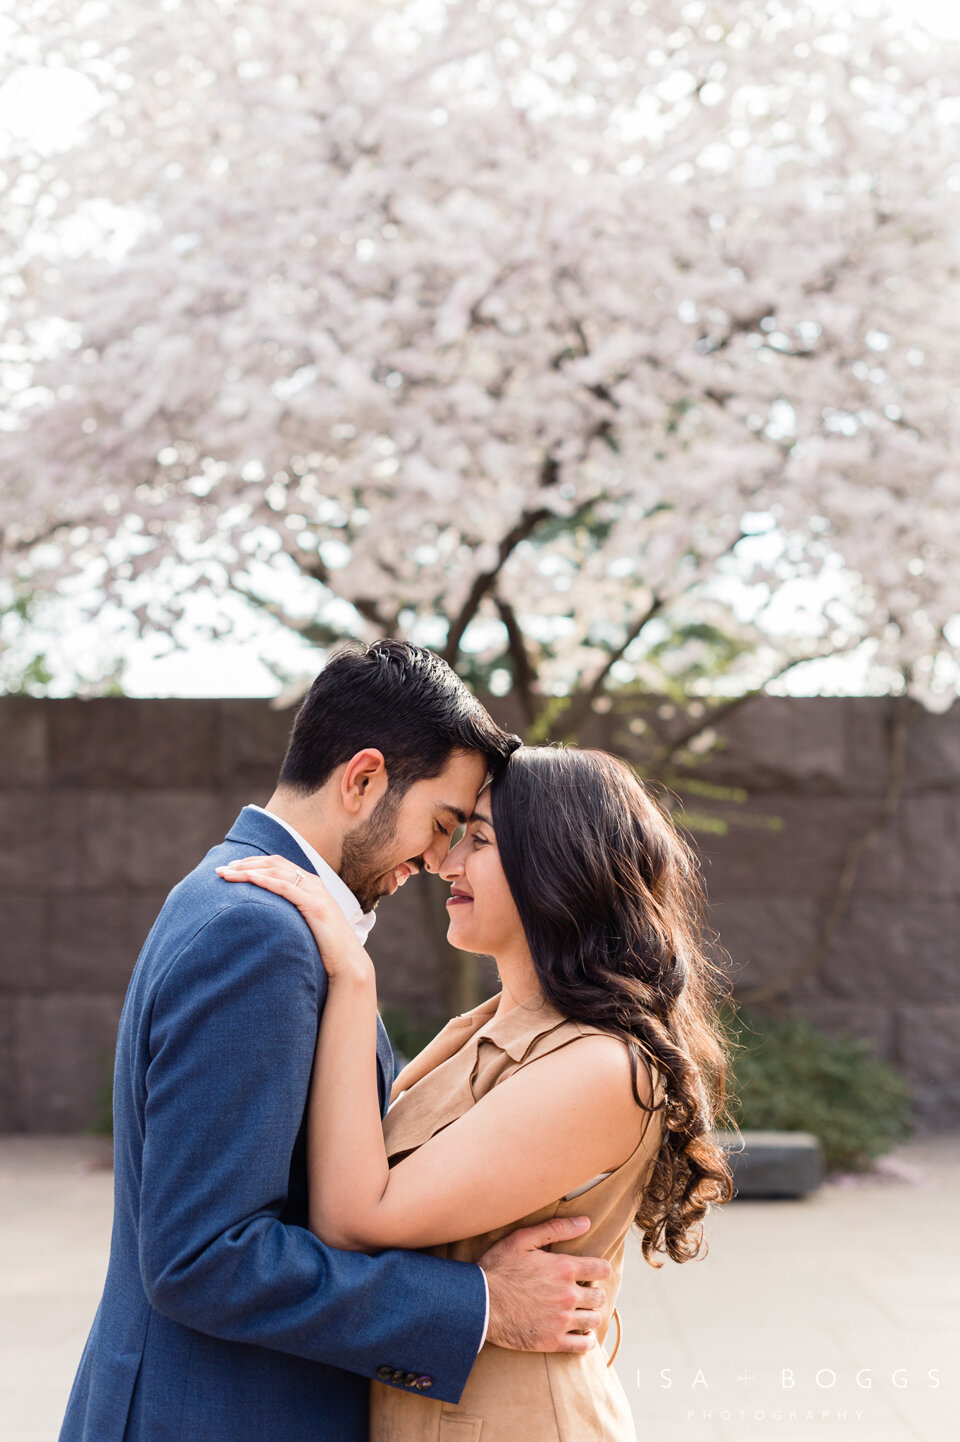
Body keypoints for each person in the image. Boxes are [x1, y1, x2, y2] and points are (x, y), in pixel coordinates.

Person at [60, 642, 614, 1442]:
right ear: (362, 780)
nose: (439, 859)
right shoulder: (260, 934)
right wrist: (484, 1305)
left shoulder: (246, 901)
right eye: (442, 823)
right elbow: (203, 1258)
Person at [219, 743, 735, 1440]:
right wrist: (482, 1293)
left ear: (559, 865)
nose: (446, 862)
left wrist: (352, 975)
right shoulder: (482, 1029)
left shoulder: (602, 1066)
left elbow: (354, 1217)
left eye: (481, 840)